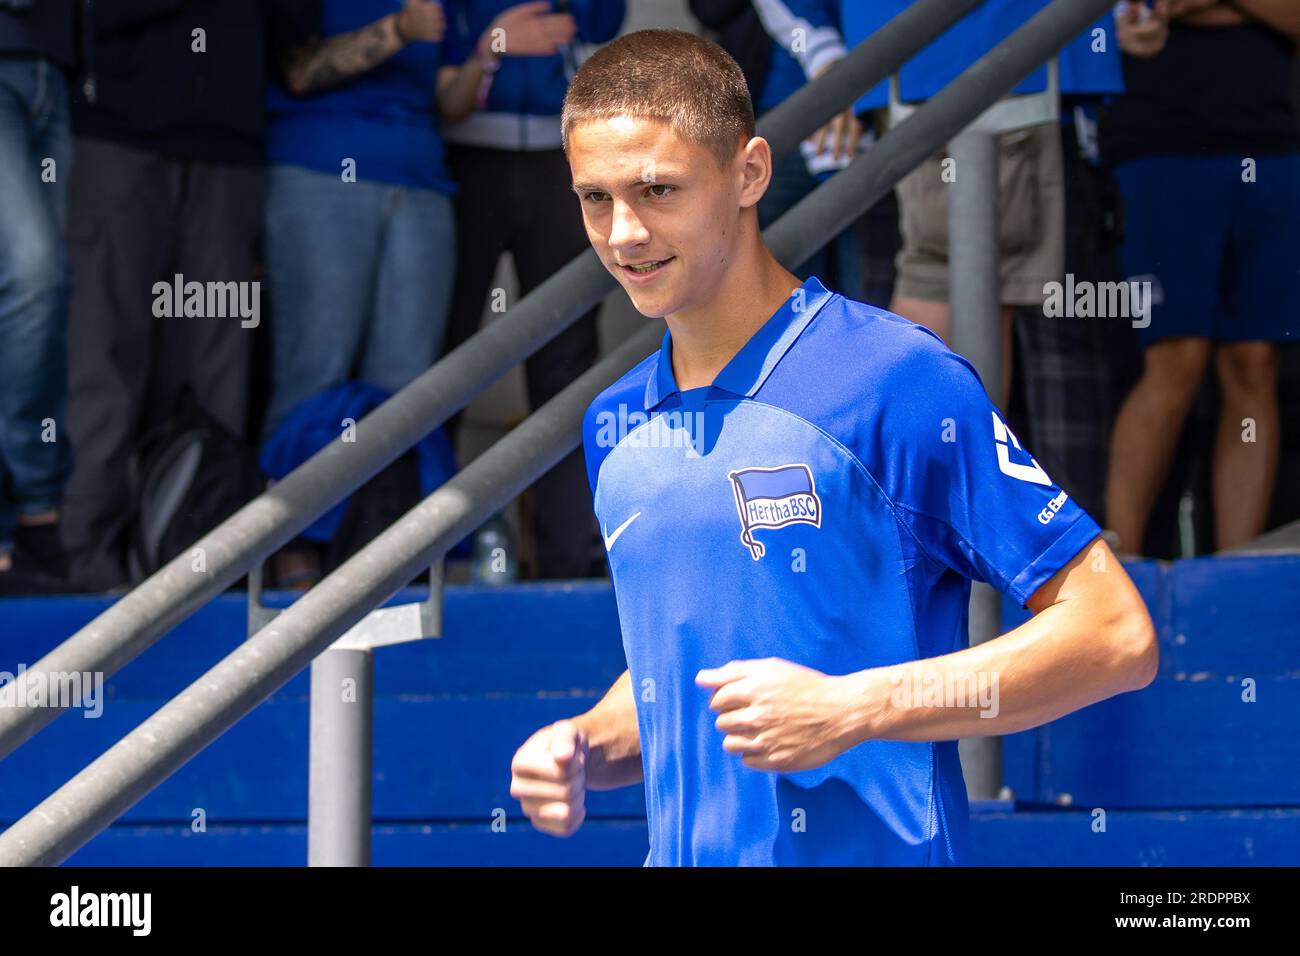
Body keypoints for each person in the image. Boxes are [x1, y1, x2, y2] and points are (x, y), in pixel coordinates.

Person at [507, 30, 1158, 866]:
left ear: (750, 172)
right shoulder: (614, 424)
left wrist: (858, 708)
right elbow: (685, 674)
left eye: (658, 189)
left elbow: (1113, 635)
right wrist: (585, 745)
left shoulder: (896, 376)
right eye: (594, 198)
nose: (624, 232)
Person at [1101, 0, 1300, 554]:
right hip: (1157, 146)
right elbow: (1137, 17)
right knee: (1175, 357)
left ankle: (1239, 569)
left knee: (1255, 364)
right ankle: (1125, 566)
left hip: (1272, 144)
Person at [440, 0, 625, 580]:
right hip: (461, 154)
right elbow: (433, 58)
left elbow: (602, 22)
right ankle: (427, 556)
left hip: (559, 154)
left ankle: (570, 559)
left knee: (566, 360)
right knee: (443, 359)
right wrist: (493, 47)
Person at [0, 0, 77, 594]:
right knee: (35, 272)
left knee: (43, 296)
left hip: (52, 64)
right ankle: (33, 505)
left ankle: (29, 516)